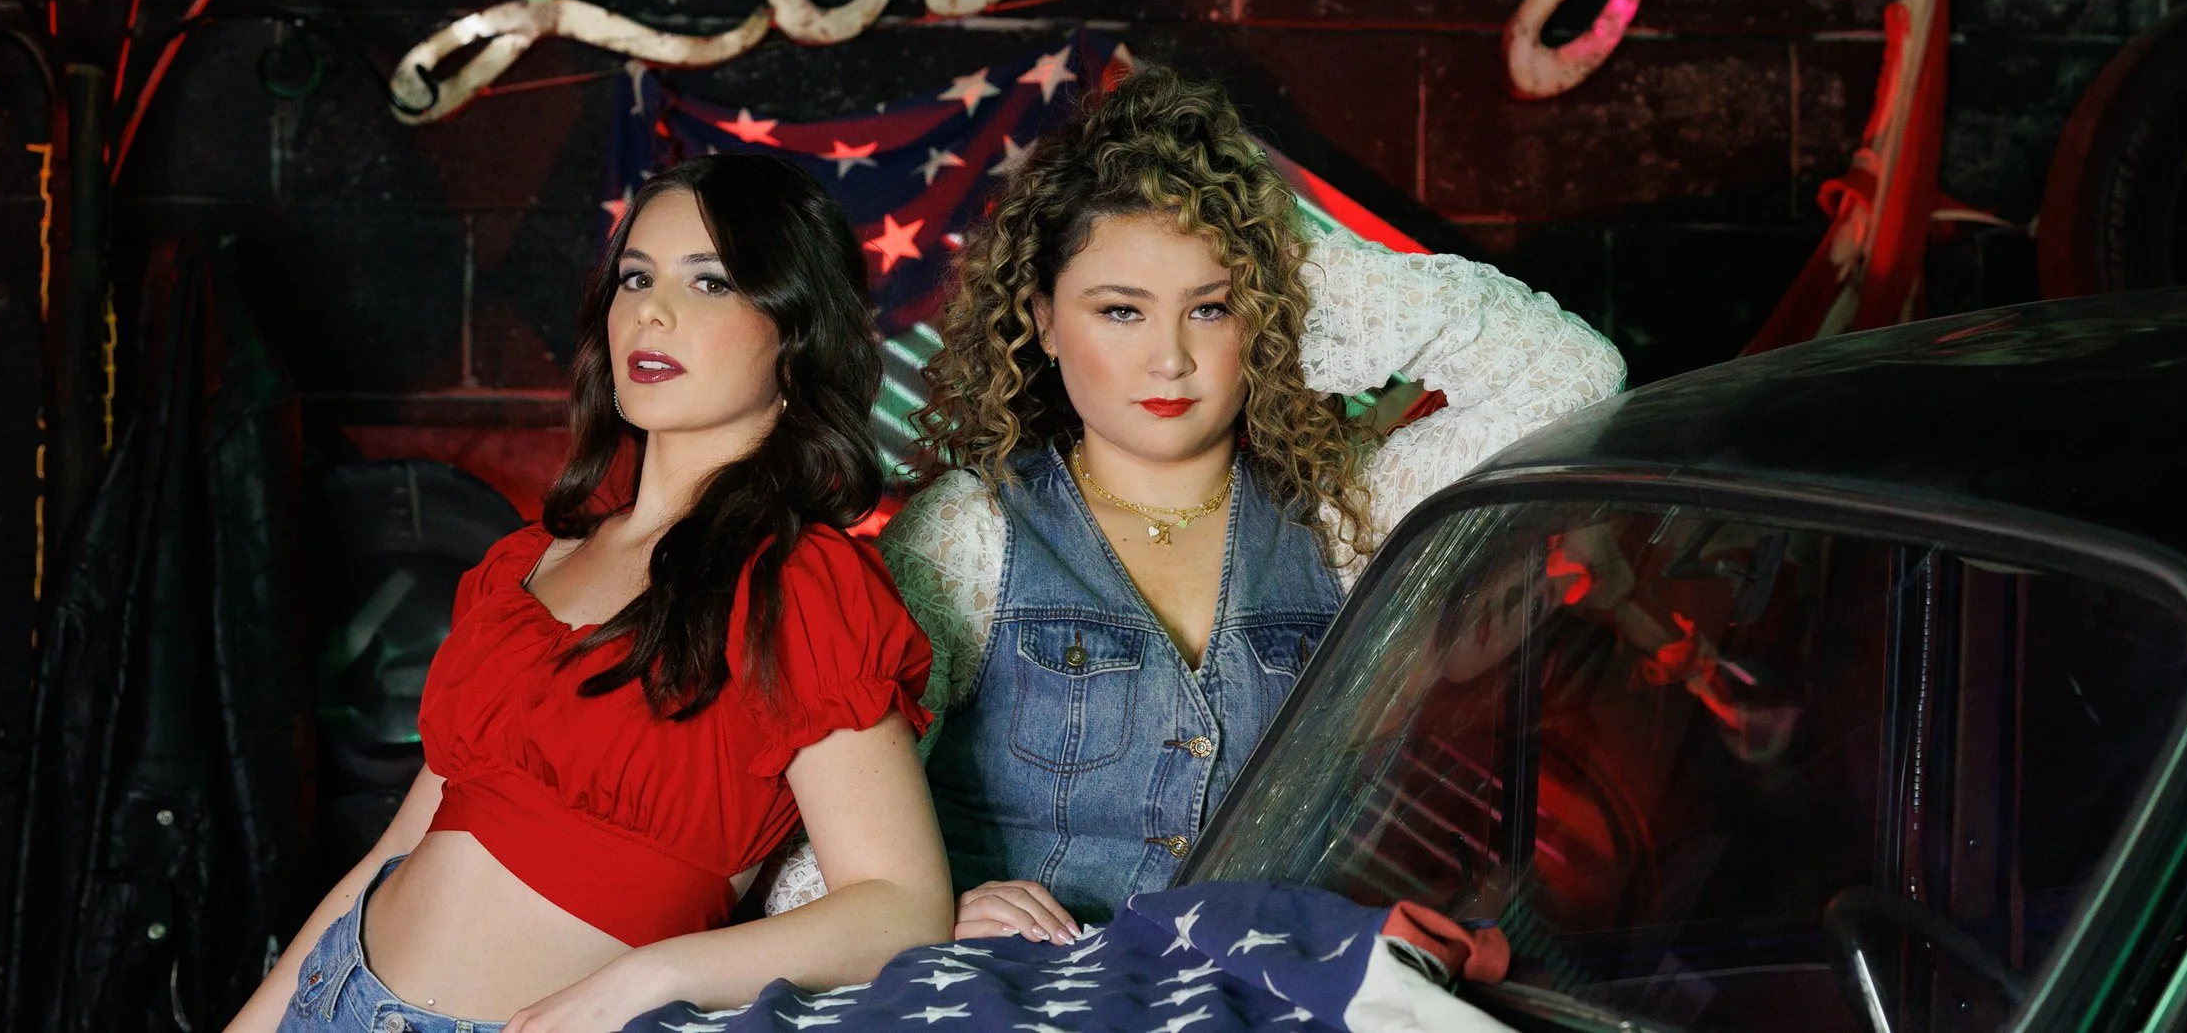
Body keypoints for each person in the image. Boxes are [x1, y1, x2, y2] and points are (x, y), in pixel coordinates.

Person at [765, 66, 1625, 940]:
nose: (1170, 359)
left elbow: (1573, 375)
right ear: (1045, 321)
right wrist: (934, 915)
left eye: (1210, 308)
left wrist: (1291, 267)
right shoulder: (969, 531)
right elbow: (815, 846)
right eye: (1121, 311)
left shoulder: (1342, 513)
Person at [225, 155, 953, 1033]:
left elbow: (901, 908)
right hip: (337, 997)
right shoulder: (524, 565)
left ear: (795, 337)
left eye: (711, 282)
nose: (652, 310)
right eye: (635, 277)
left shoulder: (799, 584)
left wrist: (641, 982)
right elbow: (400, 843)